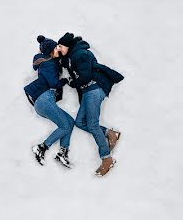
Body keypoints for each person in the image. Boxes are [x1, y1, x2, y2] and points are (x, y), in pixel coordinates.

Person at [55, 32, 124, 177]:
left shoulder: (80, 54)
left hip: (93, 89)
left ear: (67, 45)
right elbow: (70, 64)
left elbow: (85, 76)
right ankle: (110, 133)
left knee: (92, 124)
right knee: (80, 122)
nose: (59, 48)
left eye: (61, 46)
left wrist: (72, 83)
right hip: (88, 91)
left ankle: (107, 159)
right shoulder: (73, 56)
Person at [24, 35, 74, 168]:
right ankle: (42, 147)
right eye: (56, 48)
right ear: (51, 50)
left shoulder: (50, 63)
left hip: (45, 100)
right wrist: (64, 81)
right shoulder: (48, 64)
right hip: (44, 99)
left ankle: (62, 152)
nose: (58, 49)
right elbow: (53, 82)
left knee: (69, 122)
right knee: (64, 126)